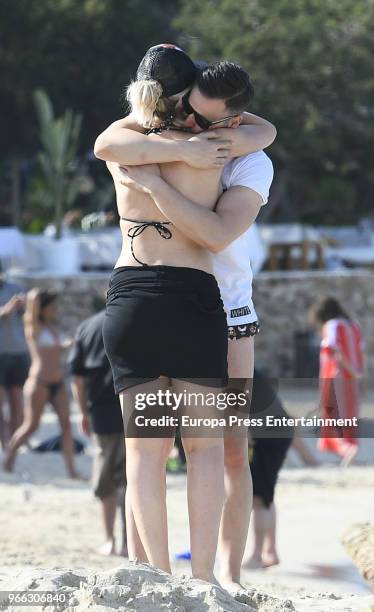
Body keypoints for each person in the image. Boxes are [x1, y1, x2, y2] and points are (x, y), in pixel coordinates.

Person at [95, 49, 275, 590]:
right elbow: (263, 131)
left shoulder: (127, 144)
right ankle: (203, 580)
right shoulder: (215, 148)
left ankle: (156, 577)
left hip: (131, 297)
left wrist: (152, 173)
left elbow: (104, 142)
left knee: (143, 454)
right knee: (202, 449)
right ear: (187, 94)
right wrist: (197, 146)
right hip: (194, 301)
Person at [68, 308, 127, 556]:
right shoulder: (133, 320)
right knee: (131, 477)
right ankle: (127, 543)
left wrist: (82, 412)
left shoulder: (87, 327)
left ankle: (109, 539)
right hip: (135, 406)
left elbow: (77, 378)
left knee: (105, 476)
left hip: (102, 409)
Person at [3, 289, 79, 478]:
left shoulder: (53, 328)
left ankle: (71, 470)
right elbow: (32, 310)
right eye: (52, 306)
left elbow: (57, 349)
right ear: (42, 309)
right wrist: (34, 297)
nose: (55, 309)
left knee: (67, 425)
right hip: (39, 382)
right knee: (31, 426)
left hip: (58, 382)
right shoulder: (33, 327)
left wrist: (68, 344)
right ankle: (9, 459)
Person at [242, 370, 293, 569]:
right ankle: (270, 551)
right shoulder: (248, 365)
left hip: (270, 435)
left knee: (259, 498)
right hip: (278, 431)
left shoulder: (234, 369)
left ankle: (257, 556)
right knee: (266, 495)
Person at [310, 297, 364, 466]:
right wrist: (358, 373)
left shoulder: (332, 325)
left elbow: (333, 348)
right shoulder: (353, 325)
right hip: (352, 379)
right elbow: (361, 351)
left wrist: (349, 369)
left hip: (336, 376)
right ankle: (349, 452)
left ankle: (346, 449)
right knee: (349, 416)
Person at [0, 262, 29, 449]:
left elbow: (30, 317)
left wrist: (27, 306)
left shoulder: (15, 288)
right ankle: (4, 442)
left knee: (17, 400)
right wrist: (9, 307)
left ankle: (14, 442)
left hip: (18, 351)